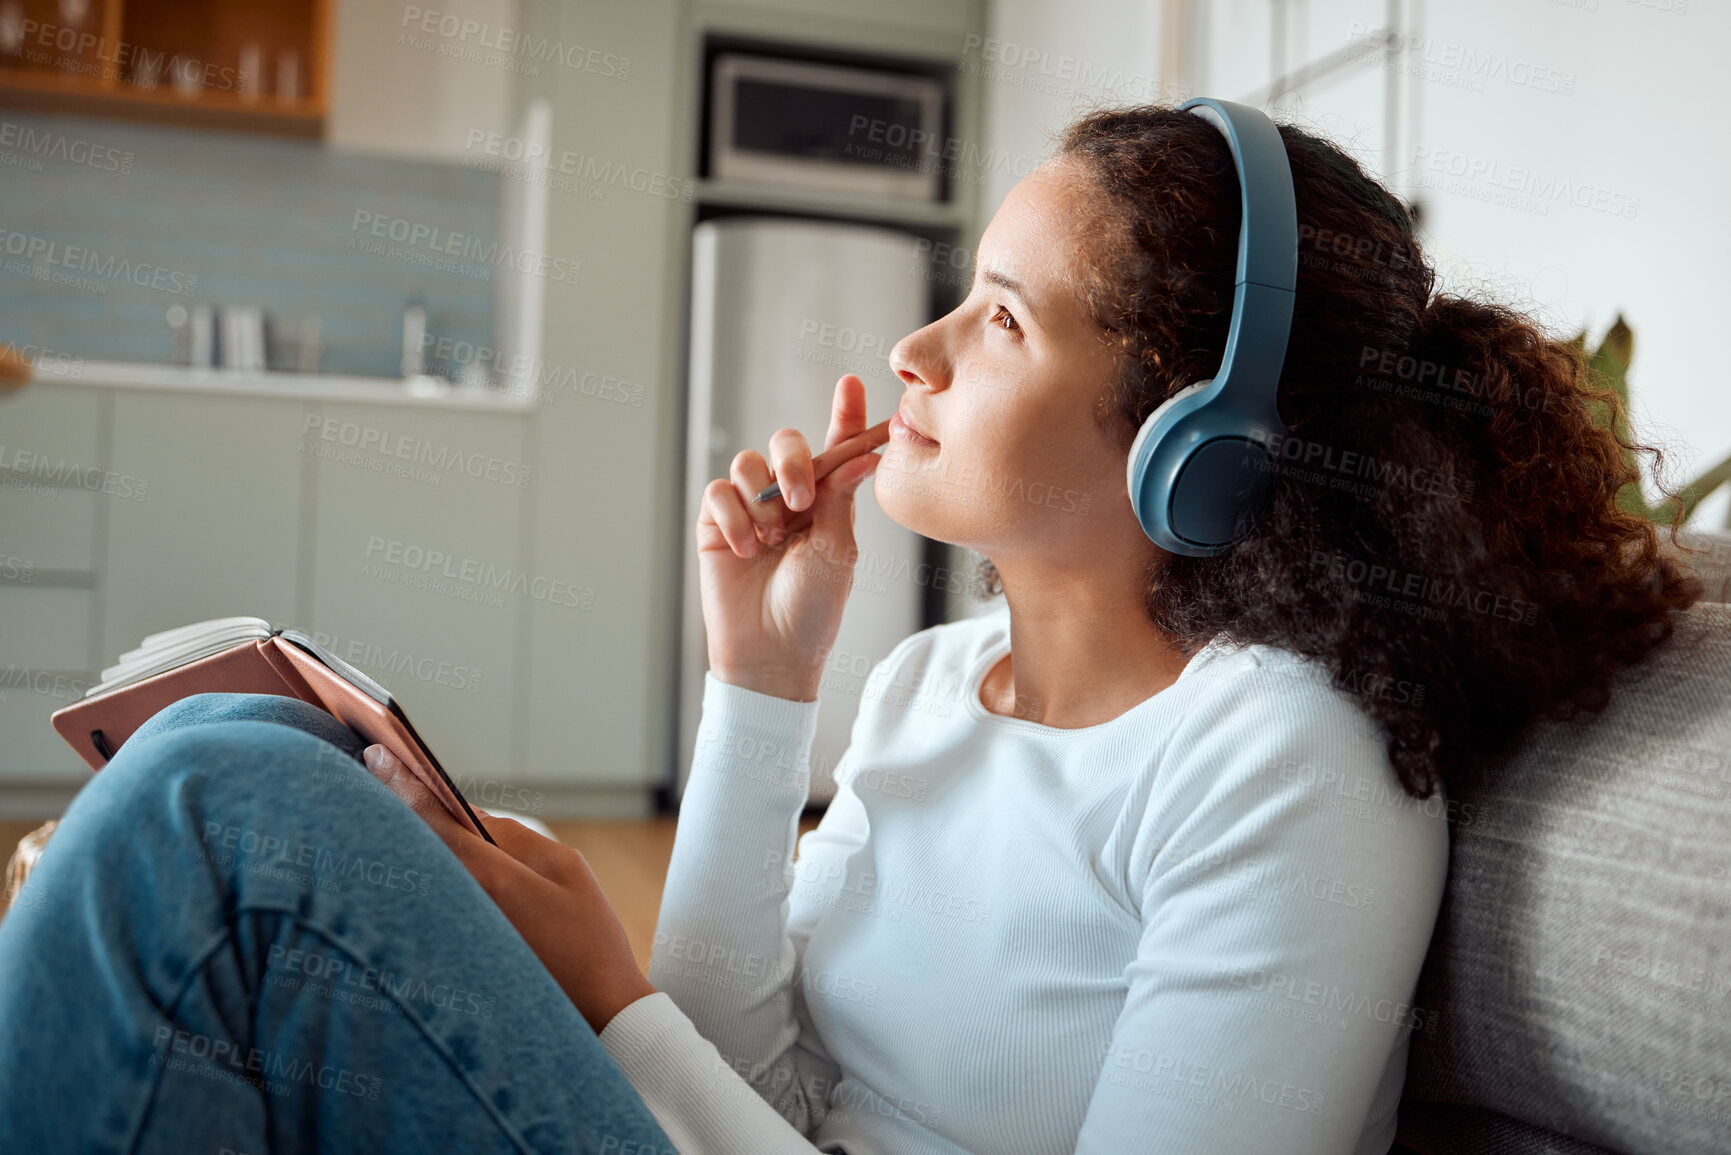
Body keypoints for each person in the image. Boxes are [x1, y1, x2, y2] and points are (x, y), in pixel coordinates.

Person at [0, 104, 1700, 1154]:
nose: (919, 348)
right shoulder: (924, 684)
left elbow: (670, 1060)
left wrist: (607, 993)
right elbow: (760, 1079)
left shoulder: (1283, 763)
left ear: (1196, 437)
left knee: (232, 814)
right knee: (247, 742)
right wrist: (762, 681)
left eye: (1003, 319)